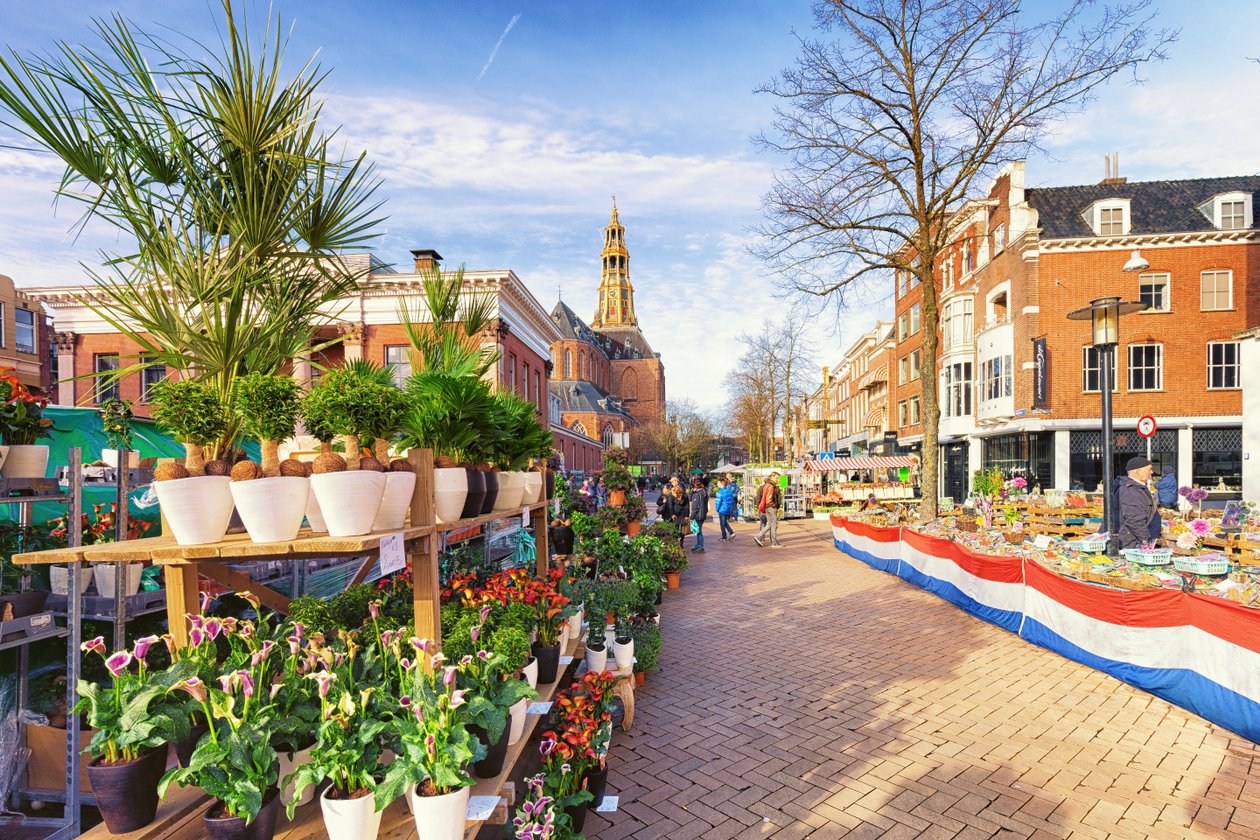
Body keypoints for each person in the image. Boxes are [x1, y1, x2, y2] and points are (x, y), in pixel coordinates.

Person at [1114, 456, 1161, 550]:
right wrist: (1145, 541)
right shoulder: (1130, 490)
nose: (1151, 472)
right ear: (1138, 471)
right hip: (1133, 541)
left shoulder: (1137, 487)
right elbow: (1134, 520)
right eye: (1149, 469)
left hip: (1136, 539)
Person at [754, 472, 783, 548]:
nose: (777, 480)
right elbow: (769, 499)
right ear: (772, 477)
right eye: (776, 478)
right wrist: (774, 506)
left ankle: (758, 536)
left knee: (769, 524)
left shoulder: (767, 485)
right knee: (773, 525)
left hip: (766, 507)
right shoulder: (771, 486)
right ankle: (774, 543)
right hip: (770, 507)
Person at [688, 477, 710, 553]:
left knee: (699, 531)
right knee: (698, 531)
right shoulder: (704, 492)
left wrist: (691, 517)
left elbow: (695, 507)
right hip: (702, 514)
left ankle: (700, 546)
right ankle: (698, 545)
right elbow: (690, 498)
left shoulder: (698, 494)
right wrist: (692, 492)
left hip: (698, 515)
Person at [714, 477, 737, 542]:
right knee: (725, 522)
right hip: (728, 509)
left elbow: (718, 502)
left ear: (721, 483)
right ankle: (731, 533)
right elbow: (732, 500)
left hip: (722, 509)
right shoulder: (729, 491)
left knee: (722, 524)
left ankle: (724, 537)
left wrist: (717, 509)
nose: (717, 484)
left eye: (718, 483)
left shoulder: (720, 492)